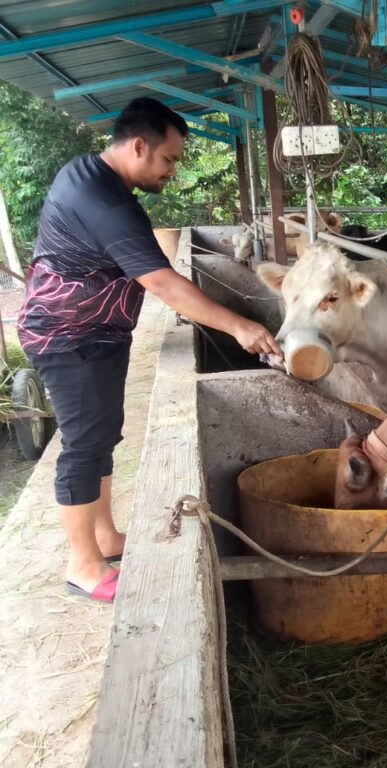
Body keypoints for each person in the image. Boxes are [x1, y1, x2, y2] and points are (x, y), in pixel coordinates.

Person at [16, 97, 281, 603]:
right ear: (139, 145)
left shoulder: (94, 178)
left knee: (103, 435)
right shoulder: (104, 200)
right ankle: (83, 566)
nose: (172, 171)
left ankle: (104, 537)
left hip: (97, 333)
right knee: (83, 444)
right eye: (169, 159)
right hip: (67, 336)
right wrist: (239, 326)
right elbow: (161, 281)